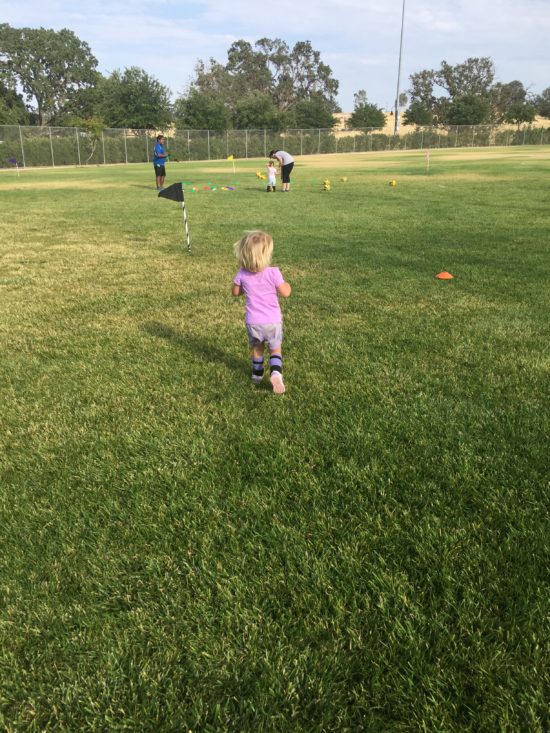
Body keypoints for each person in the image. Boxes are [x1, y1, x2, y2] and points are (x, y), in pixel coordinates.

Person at [232, 231, 292, 394]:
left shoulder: (242, 274)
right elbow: (285, 292)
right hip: (272, 321)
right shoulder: (273, 272)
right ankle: (276, 373)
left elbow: (236, 293)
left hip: (253, 322)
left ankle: (257, 375)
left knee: (257, 348)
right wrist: (287, 285)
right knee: (275, 348)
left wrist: (242, 284)